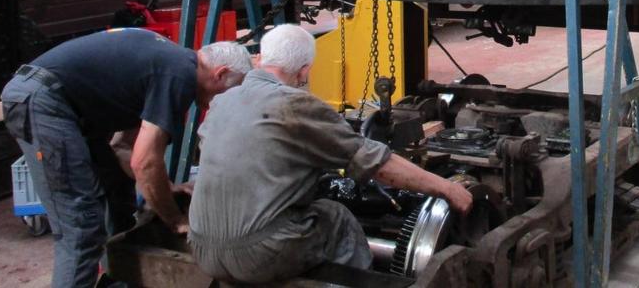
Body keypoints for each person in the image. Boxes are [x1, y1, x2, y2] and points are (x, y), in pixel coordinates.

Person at [188, 23, 473, 284]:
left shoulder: (221, 102)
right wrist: (447, 187)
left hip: (202, 248)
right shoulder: (295, 104)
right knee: (336, 216)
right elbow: (378, 165)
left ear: (260, 59)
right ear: (303, 71)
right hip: (259, 254)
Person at [0, 28, 253, 288]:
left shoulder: (170, 63)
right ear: (220, 74)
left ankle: (117, 277)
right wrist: (175, 220)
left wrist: (165, 188)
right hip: (44, 102)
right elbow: (144, 162)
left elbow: (123, 148)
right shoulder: (178, 76)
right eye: (232, 91)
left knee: (118, 191)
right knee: (81, 227)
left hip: (61, 104)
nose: (228, 101)